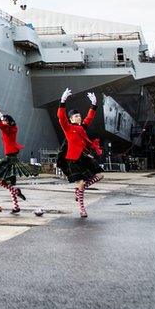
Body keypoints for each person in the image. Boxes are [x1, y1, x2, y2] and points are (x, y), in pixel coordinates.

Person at [56, 89, 104, 218]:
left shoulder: (82, 127)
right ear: (71, 119)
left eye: (79, 115)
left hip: (84, 157)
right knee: (82, 183)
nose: (79, 117)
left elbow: (90, 117)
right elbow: (61, 117)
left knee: (99, 176)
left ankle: (78, 191)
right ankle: (82, 208)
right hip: (73, 159)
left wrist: (94, 104)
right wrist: (63, 101)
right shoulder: (68, 127)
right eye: (76, 116)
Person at [0, 99, 38, 213]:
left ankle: (15, 191)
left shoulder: (6, 129)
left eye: (5, 121)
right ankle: (16, 206)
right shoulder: (13, 128)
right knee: (8, 182)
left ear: (8, 122)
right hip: (13, 157)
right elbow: (3, 119)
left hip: (9, 159)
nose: (3, 121)